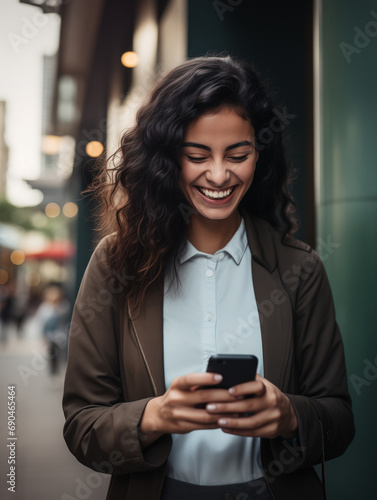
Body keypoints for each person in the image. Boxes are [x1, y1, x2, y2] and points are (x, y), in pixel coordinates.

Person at [62, 56, 355, 500]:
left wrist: (290, 415)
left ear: (260, 154)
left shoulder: (301, 269)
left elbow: (339, 420)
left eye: (238, 155)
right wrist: (154, 417)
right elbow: (82, 426)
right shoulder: (115, 265)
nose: (219, 175)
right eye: (197, 156)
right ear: (165, 159)